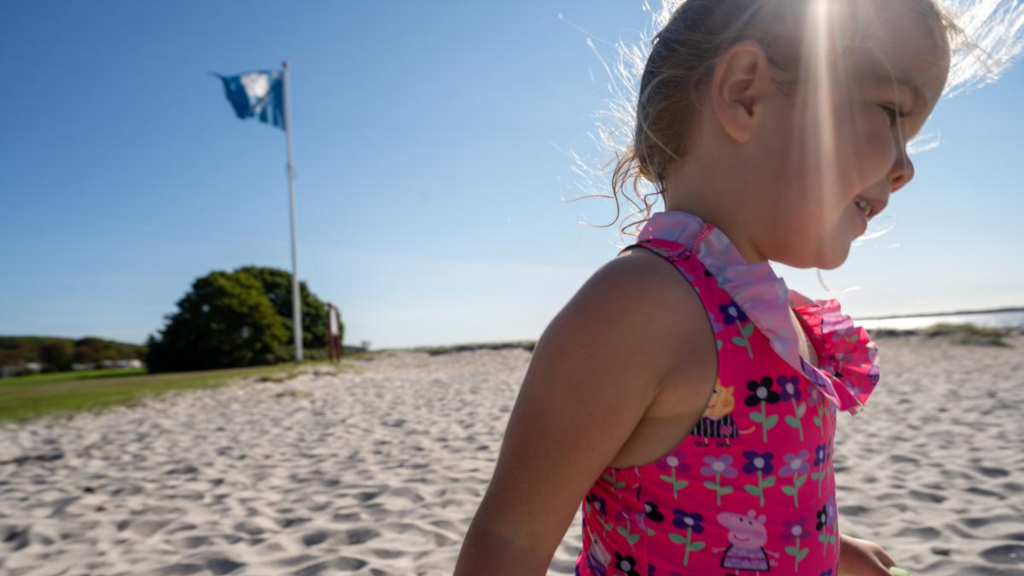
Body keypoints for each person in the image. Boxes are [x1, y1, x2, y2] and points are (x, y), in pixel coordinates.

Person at [454, 1, 959, 575]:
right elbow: (509, 540)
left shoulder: (768, 314)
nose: (905, 167)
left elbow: (751, 500)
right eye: (892, 112)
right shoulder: (641, 307)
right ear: (746, 94)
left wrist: (832, 550)